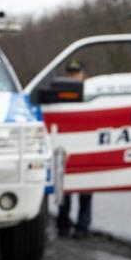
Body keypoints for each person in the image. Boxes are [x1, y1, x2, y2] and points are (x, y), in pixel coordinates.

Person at [57, 59, 93, 237]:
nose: (73, 77)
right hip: (67, 147)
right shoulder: (59, 94)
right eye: (70, 73)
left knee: (86, 189)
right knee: (64, 189)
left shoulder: (91, 95)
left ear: (82, 75)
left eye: (76, 73)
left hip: (86, 145)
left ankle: (83, 227)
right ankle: (63, 225)